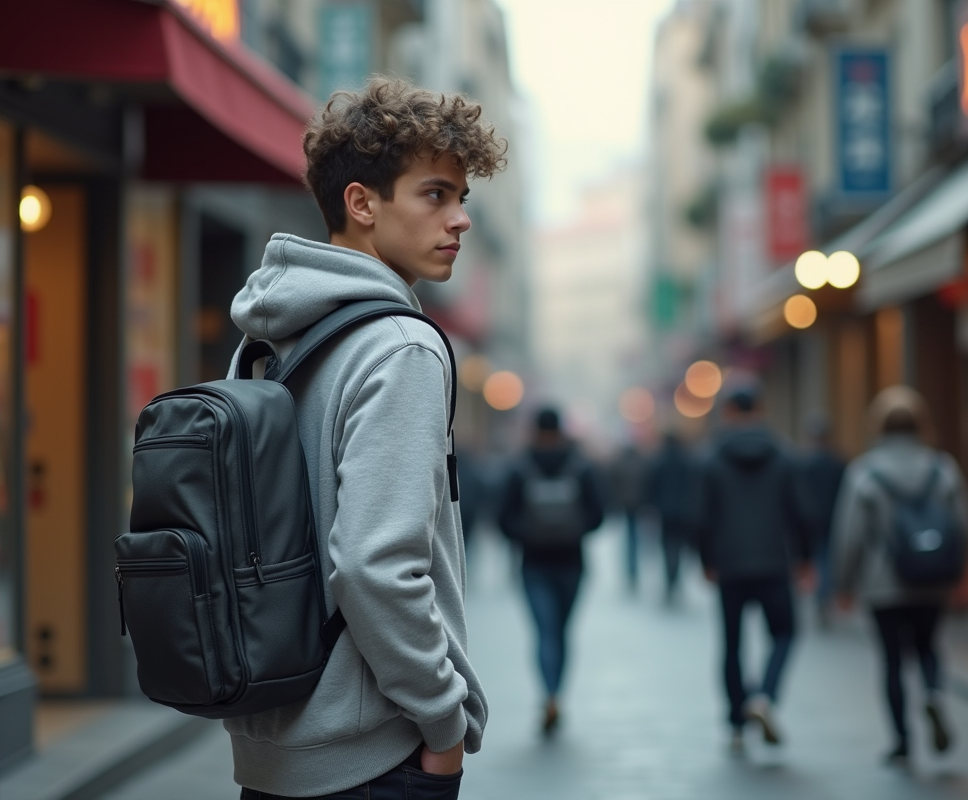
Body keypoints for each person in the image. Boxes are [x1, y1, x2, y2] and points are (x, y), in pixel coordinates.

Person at [223, 77, 505, 799]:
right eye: (435, 194)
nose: (460, 220)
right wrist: (443, 726)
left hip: (270, 740)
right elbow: (375, 565)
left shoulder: (276, 330)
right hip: (369, 756)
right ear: (361, 203)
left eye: (462, 199)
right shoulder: (400, 346)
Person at [832, 386, 968, 769]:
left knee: (892, 660)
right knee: (928, 646)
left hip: (884, 583)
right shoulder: (942, 467)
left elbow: (850, 535)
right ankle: (933, 693)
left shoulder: (865, 472)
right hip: (933, 580)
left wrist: (843, 585)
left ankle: (901, 741)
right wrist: (962, 574)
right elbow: (964, 524)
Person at [698, 387, 810, 753]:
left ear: (729, 412)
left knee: (732, 644)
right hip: (774, 562)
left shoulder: (713, 458)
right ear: (760, 410)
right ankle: (764, 695)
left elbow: (701, 516)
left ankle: (735, 722)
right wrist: (805, 559)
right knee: (785, 632)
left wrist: (706, 560)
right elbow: (800, 512)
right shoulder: (783, 455)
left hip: (729, 565)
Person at [498, 408, 604, 735]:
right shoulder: (581, 466)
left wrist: (528, 534)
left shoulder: (520, 466)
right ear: (561, 431)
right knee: (561, 631)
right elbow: (599, 513)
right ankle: (557, 694)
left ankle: (548, 694)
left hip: (534, 563)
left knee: (544, 632)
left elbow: (502, 517)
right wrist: (573, 531)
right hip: (572, 563)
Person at [795, 414, 846, 626]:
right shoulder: (839, 463)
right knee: (825, 558)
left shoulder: (804, 463)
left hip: (810, 519)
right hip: (832, 518)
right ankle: (822, 596)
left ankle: (819, 595)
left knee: (813, 558)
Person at [647, 432, 701, 604]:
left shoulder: (659, 461)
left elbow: (652, 486)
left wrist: (652, 507)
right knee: (678, 547)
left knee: (668, 547)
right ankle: (675, 579)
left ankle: (671, 579)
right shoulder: (687, 461)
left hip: (665, 511)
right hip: (683, 511)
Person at [608, 443, 649, 591]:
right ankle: (632, 567)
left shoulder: (619, 463)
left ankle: (630, 567)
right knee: (634, 536)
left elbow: (612, 482)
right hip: (638, 504)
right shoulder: (642, 463)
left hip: (624, 504)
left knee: (629, 537)